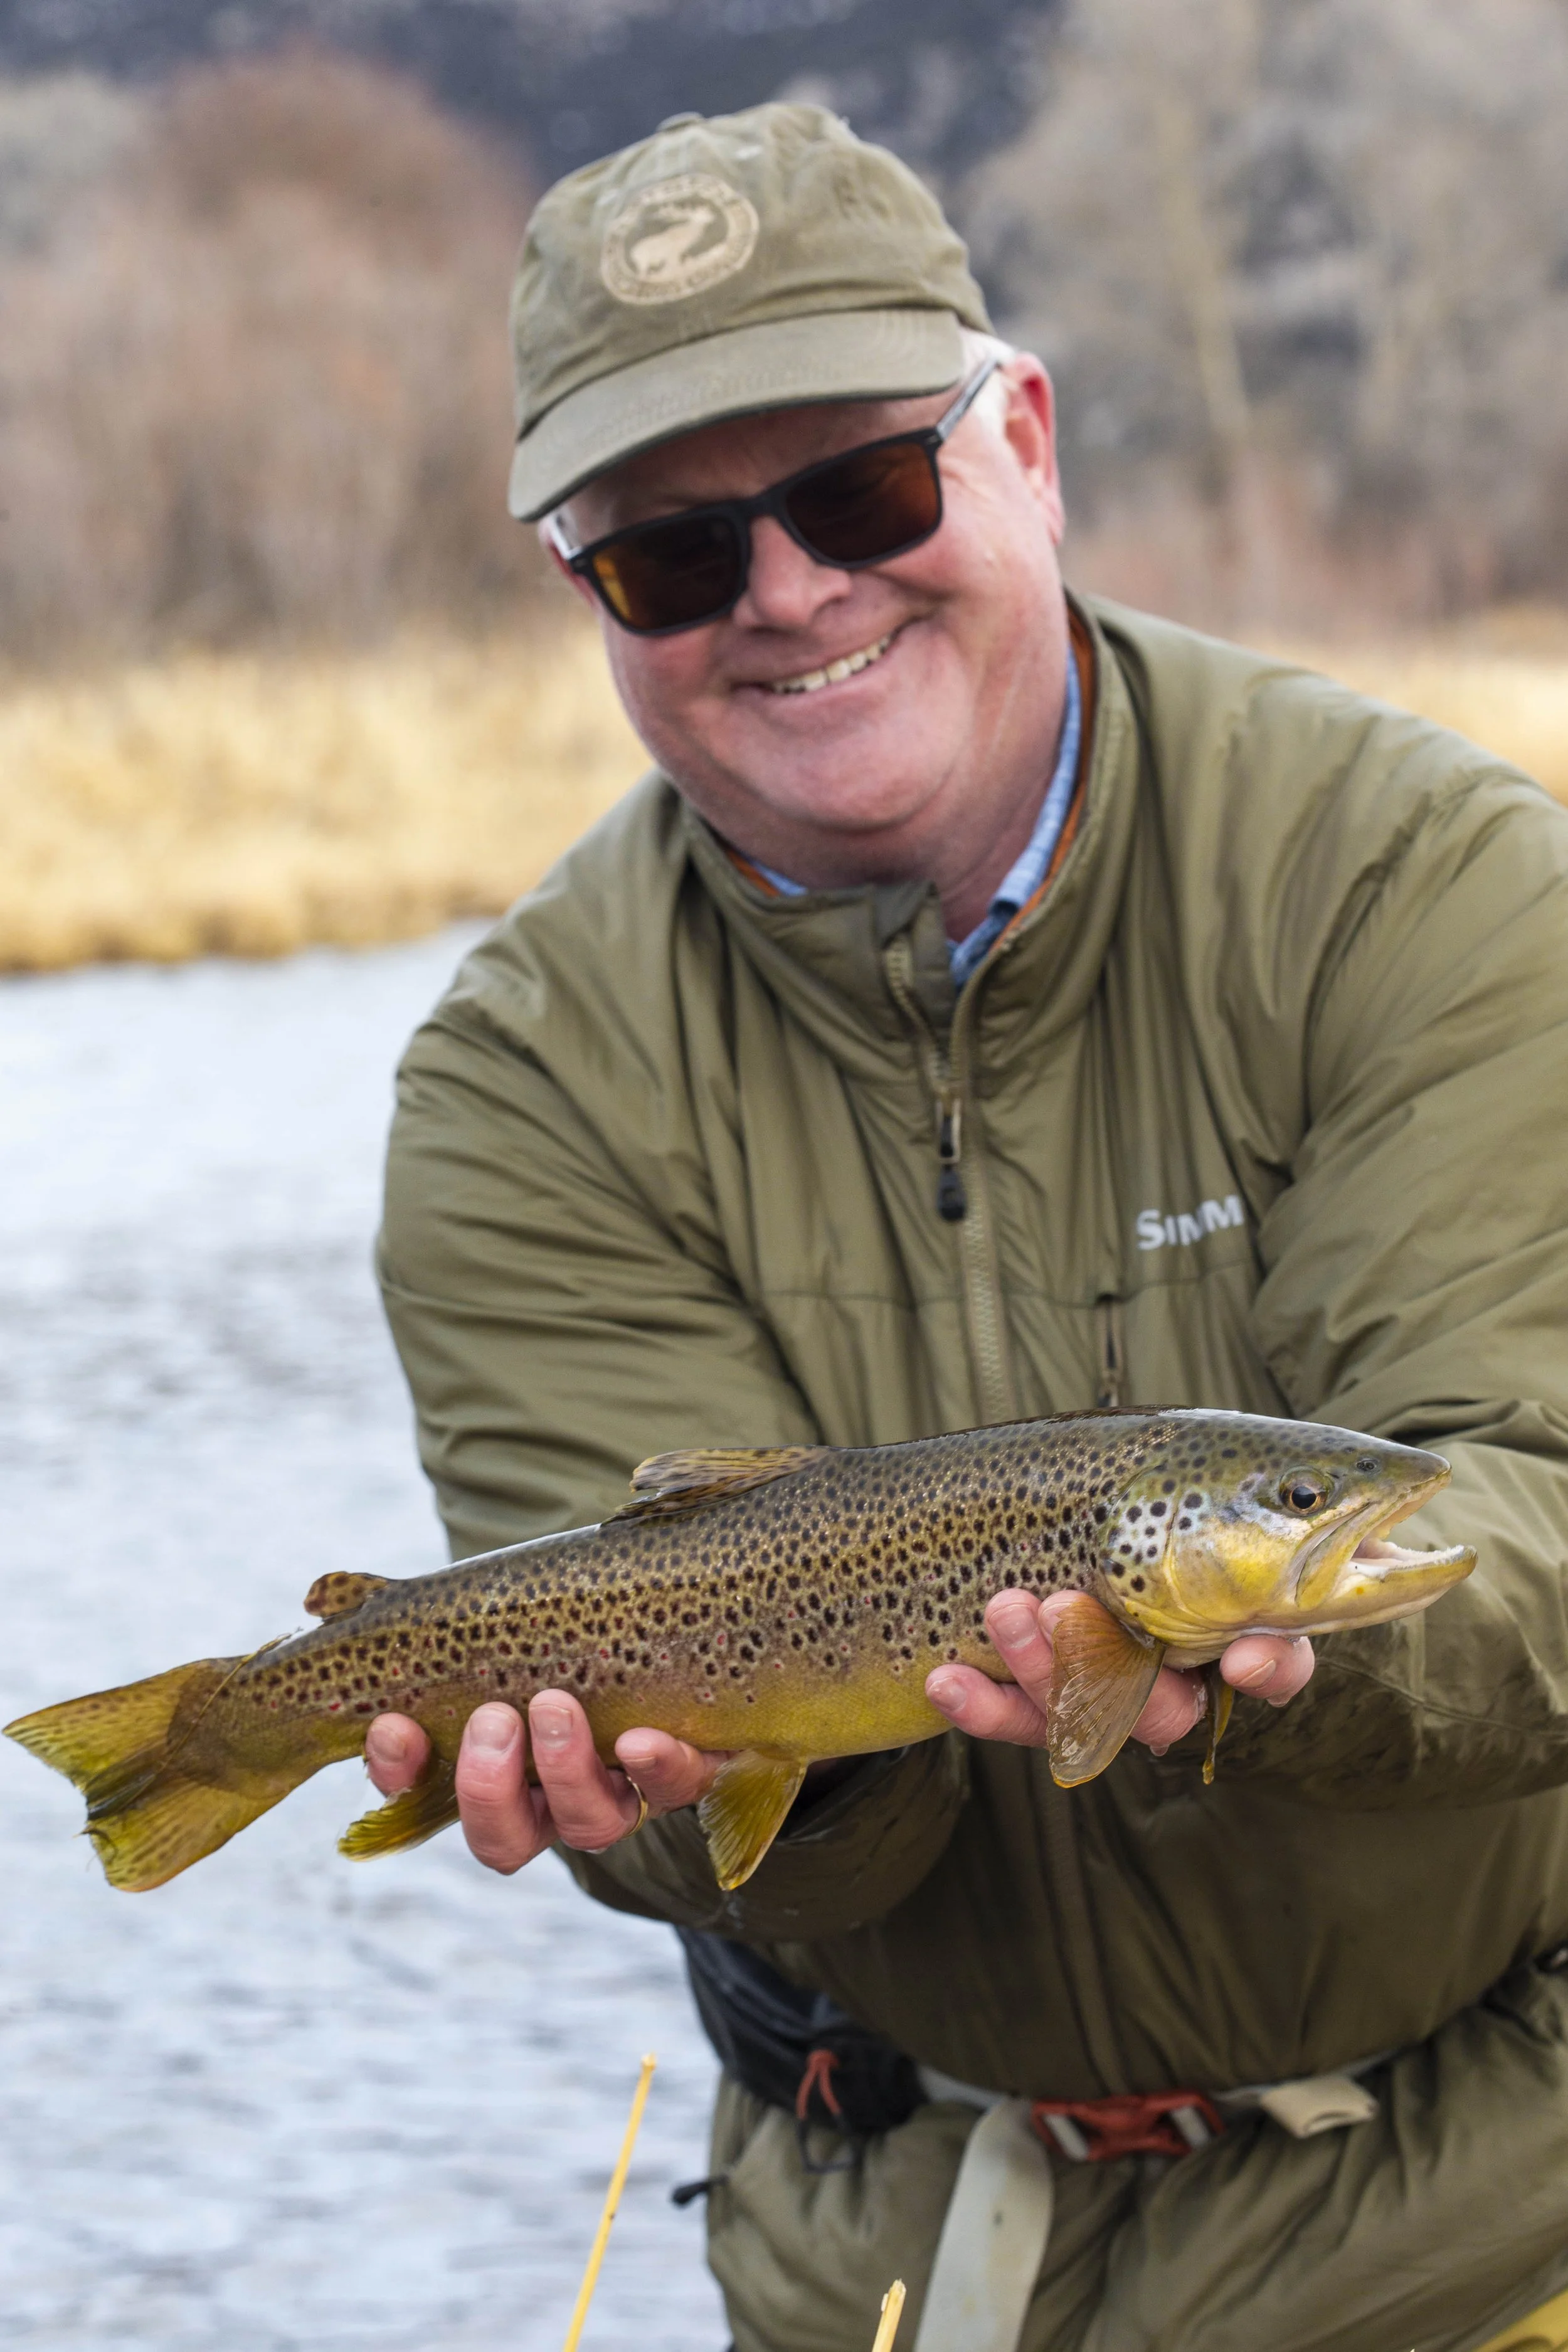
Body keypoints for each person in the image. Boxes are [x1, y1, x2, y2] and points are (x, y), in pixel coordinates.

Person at [364, 103, 1568, 2352]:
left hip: (1497, 2232)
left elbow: (1543, 1511)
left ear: (1020, 439)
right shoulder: (524, 1084)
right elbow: (692, 1798)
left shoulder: (1423, 889)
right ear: (582, 591)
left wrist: (1260, 1671)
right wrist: (699, 1779)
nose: (789, 591)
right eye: (672, 556)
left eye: (858, 491)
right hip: (896, 2266)